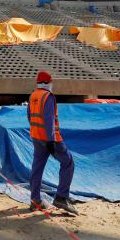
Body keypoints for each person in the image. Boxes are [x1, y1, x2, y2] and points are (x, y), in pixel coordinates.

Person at [27, 70, 78, 215]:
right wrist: (50, 140)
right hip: (51, 139)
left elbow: (30, 117)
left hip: (36, 137)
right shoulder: (48, 96)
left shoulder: (33, 95)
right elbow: (49, 120)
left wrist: (38, 135)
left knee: (37, 168)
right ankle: (61, 197)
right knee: (68, 162)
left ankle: (35, 200)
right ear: (48, 83)